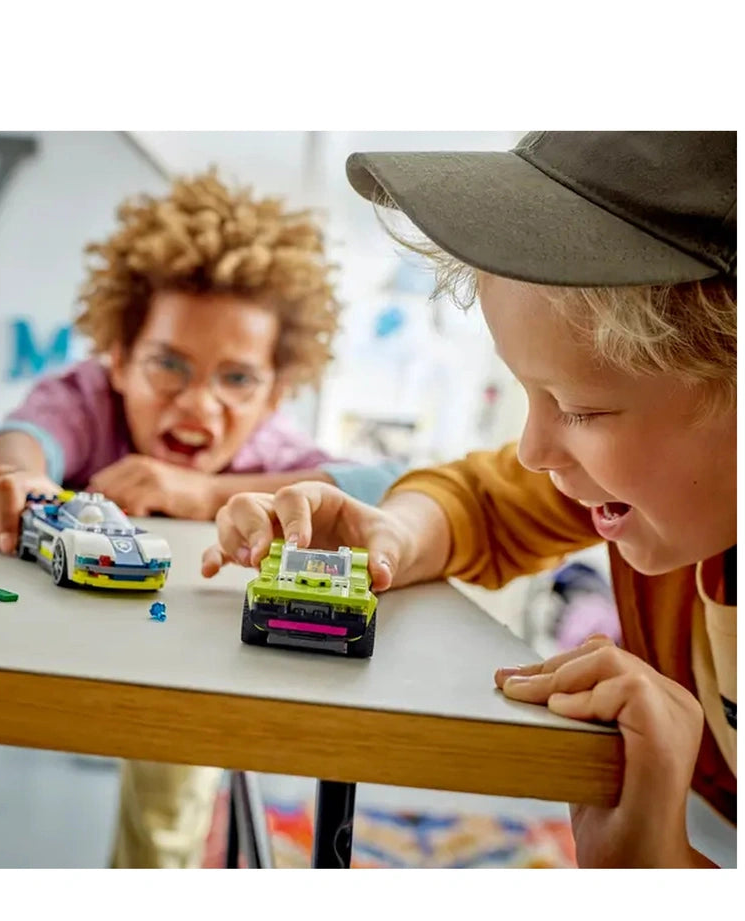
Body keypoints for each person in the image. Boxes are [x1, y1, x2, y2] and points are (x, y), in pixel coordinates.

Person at [201, 132, 736, 867]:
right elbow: (487, 500)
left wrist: (653, 867)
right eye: (528, 393)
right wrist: (393, 536)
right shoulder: (681, 496)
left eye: (580, 407)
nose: (533, 450)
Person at [0, 169, 403, 867]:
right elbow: (24, 439)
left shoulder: (270, 451)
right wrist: (9, 477)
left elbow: (382, 484)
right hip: (52, 649)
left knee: (167, 803)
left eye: (237, 379)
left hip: (182, 670)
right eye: (168, 366)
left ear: (276, 391)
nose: (199, 406)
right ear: (118, 359)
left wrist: (192, 491)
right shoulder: (88, 398)